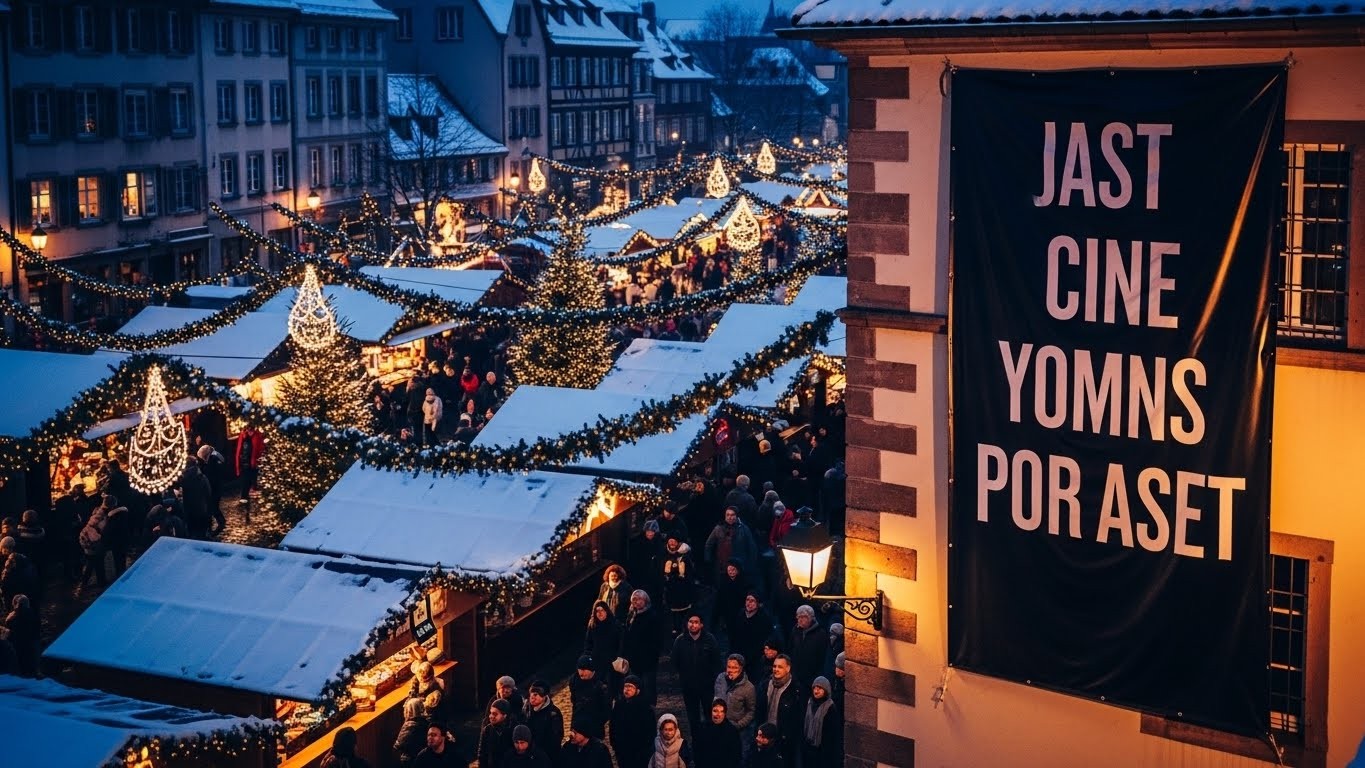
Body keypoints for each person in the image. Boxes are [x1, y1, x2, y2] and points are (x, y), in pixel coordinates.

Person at [670, 614, 721, 734]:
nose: (693, 625)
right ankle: (696, 740)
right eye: (690, 622)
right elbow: (674, 661)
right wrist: (681, 678)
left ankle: (711, 737)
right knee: (693, 717)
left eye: (696, 622)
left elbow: (717, 661)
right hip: (689, 686)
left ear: (701, 625)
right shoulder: (680, 640)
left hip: (707, 686)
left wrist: (713, 679)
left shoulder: (710, 639)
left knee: (709, 714)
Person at [756, 655, 803, 767]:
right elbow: (758, 711)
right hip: (764, 738)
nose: (776, 669)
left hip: (783, 742)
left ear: (788, 668)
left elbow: (797, 720)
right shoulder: (765, 685)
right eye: (774, 666)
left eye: (780, 667)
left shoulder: (795, 691)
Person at [621, 589, 665, 706]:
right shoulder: (631, 615)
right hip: (634, 659)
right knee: (636, 685)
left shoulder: (652, 616)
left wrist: (652, 654)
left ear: (645, 601)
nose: (636, 602)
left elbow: (657, 639)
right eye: (634, 599)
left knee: (648, 686)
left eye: (639, 599)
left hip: (647, 659)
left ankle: (649, 708)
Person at [713, 653, 757, 752]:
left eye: (734, 668)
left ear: (741, 669)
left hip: (738, 731)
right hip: (719, 726)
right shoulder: (720, 679)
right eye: (729, 667)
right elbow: (716, 698)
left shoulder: (749, 688)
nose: (730, 670)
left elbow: (751, 712)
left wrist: (738, 725)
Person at [704, 507, 759, 587]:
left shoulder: (743, 529)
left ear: (737, 516)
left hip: (739, 565)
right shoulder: (719, 528)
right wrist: (708, 560)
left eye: (732, 515)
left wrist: (750, 564)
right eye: (728, 515)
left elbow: (752, 547)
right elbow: (709, 544)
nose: (730, 517)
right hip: (722, 566)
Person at [609, 675, 655, 768]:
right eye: (626, 686)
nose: (627, 689)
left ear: (638, 691)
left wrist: (645, 749)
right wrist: (614, 743)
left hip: (639, 751)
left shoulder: (645, 708)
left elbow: (651, 732)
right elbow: (613, 725)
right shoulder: (619, 705)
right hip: (622, 749)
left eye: (631, 687)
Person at [730, 592, 777, 675]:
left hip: (756, 657)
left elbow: (766, 638)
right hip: (740, 652)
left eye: (752, 601)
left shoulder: (764, 618)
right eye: (747, 600)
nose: (749, 603)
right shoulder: (741, 614)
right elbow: (735, 634)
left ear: (758, 603)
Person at [801, 677, 843, 768]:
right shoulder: (809, 703)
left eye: (819, 688)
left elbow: (832, 734)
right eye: (815, 688)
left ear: (826, 690)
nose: (816, 691)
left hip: (822, 752)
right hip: (808, 748)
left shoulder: (830, 708)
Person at [584, 601, 623, 693]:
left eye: (602, 610)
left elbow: (621, 643)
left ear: (606, 611)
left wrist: (618, 657)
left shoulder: (615, 624)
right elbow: (588, 643)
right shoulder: (592, 625)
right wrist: (589, 658)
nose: (600, 613)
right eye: (597, 611)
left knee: (613, 689)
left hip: (612, 663)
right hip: (598, 663)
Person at [569, 655, 611, 739]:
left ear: (592, 670)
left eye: (584, 669)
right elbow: (575, 703)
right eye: (579, 669)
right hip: (578, 724)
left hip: (594, 727)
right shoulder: (575, 680)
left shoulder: (601, 685)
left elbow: (607, 709)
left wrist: (596, 723)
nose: (581, 672)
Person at [660, 536, 694, 637]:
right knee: (672, 610)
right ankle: (674, 628)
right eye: (670, 541)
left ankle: (685, 628)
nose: (672, 543)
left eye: (674, 541)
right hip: (670, 587)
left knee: (685, 609)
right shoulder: (664, 554)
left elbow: (690, 572)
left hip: (683, 587)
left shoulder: (685, 556)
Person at [523, 681, 563, 765]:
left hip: (546, 756)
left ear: (544, 696)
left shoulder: (553, 714)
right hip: (529, 754)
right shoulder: (526, 710)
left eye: (536, 695)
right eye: (531, 694)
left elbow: (556, 739)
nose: (532, 697)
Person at [694, 699, 742, 768]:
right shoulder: (702, 728)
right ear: (711, 712)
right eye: (715, 711)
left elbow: (736, 756)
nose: (718, 714)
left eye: (721, 711)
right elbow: (697, 751)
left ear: (724, 714)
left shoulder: (732, 731)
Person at [788, 605, 827, 688]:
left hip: (812, 677)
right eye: (798, 617)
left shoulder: (821, 634)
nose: (800, 620)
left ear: (811, 618)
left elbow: (823, 657)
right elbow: (791, 649)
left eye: (803, 617)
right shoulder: (795, 631)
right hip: (796, 676)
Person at [3, 594, 40, 676]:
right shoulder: (33, 614)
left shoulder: (11, 617)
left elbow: (9, 633)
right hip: (30, 644)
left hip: (17, 645)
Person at [477, 699, 515, 768]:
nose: (490, 716)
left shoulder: (513, 729)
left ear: (504, 715)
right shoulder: (487, 730)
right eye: (490, 713)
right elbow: (482, 754)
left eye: (495, 714)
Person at [394, 698, 430, 765]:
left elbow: (399, 745)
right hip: (423, 758)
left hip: (410, 759)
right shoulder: (426, 722)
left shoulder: (409, 725)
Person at [235, 426, 265, 502]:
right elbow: (239, 450)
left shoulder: (257, 435)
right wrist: (238, 465)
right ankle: (244, 496)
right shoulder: (243, 435)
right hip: (245, 461)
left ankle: (247, 494)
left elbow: (260, 449)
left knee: (251, 478)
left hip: (253, 461)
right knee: (246, 479)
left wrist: (259, 460)